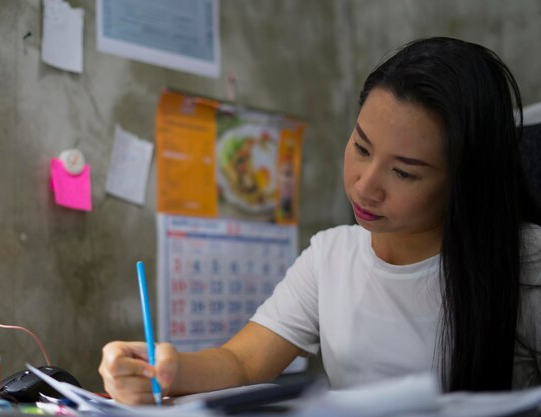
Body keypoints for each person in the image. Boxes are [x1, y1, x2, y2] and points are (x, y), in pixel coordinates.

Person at [99, 37, 541, 404]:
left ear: (464, 180)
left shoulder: (528, 263)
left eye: (404, 172)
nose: (365, 186)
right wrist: (168, 366)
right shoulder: (330, 256)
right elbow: (244, 362)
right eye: (362, 148)